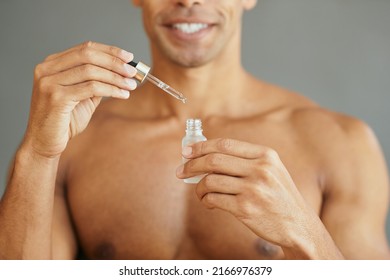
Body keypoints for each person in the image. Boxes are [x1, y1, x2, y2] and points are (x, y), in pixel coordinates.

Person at [0, 0, 389, 260]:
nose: (188, 0)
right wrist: (37, 154)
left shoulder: (341, 143)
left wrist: (305, 234)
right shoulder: (75, 142)